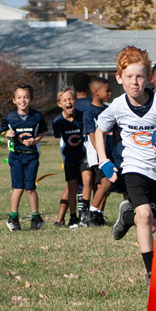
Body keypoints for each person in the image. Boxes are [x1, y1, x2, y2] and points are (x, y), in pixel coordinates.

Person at [94, 46, 156, 290]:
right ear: (119, 78)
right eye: (129, 77)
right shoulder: (118, 106)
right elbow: (100, 130)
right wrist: (104, 160)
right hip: (132, 168)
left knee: (152, 225)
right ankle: (151, 272)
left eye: (140, 76)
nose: (134, 82)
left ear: (148, 78)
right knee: (145, 215)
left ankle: (126, 216)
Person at [0, 84, 49, 231]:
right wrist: (6, 134)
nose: (23, 100)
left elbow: (41, 133)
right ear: (14, 100)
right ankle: (13, 217)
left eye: (26, 97)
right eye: (19, 97)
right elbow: (3, 132)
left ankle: (36, 218)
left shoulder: (37, 116)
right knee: (18, 188)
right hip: (16, 157)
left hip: (32, 157)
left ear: (31, 99)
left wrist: (34, 141)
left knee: (30, 188)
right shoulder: (10, 117)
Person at [81, 76, 119, 227]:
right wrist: (101, 155)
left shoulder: (109, 110)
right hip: (98, 156)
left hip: (111, 153)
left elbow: (115, 131)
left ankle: (98, 216)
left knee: (104, 187)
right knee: (106, 182)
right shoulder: (89, 112)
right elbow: (92, 135)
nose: (110, 93)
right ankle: (90, 214)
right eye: (107, 90)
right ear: (96, 92)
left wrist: (117, 150)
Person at [50, 86, 86, 227]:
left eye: (71, 98)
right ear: (59, 104)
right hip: (70, 158)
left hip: (84, 157)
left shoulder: (83, 116)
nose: (68, 102)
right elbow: (60, 140)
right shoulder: (57, 121)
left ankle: (87, 215)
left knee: (87, 183)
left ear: (76, 101)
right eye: (65, 100)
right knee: (72, 186)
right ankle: (73, 216)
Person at [72, 71, 95, 220]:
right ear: (89, 87)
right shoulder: (92, 106)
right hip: (89, 150)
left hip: (71, 150)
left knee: (73, 183)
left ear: (73, 87)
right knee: (89, 181)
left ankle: (66, 217)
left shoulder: (70, 106)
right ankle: (90, 213)